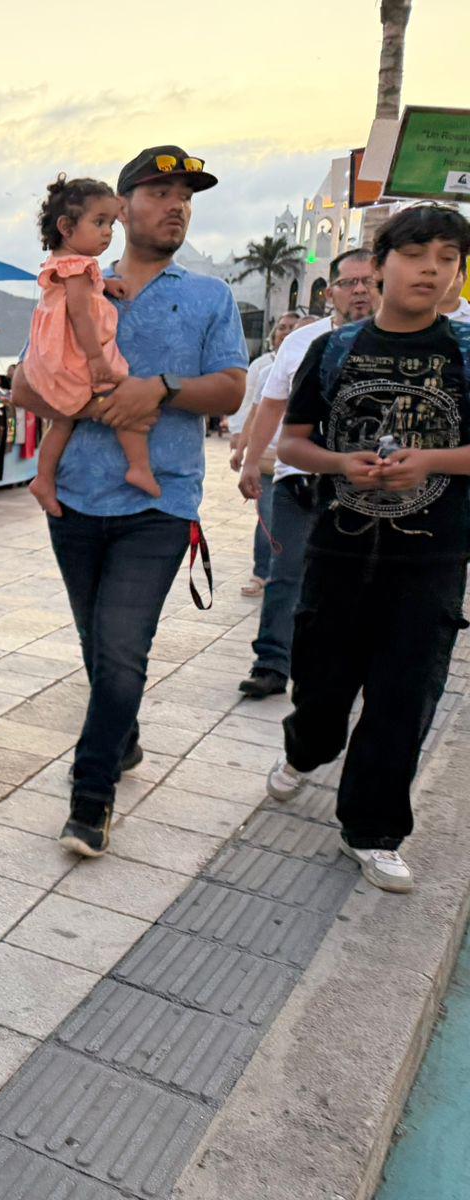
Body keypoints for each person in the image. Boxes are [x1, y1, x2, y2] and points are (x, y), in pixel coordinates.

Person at [9, 145, 248, 857]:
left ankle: (90, 798)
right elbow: (25, 384)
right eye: (159, 191)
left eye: (186, 196)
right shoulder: (71, 281)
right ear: (118, 208)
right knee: (101, 647)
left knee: (120, 645)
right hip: (76, 500)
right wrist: (90, 405)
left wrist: (160, 390)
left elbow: (232, 389)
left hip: (161, 501)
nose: (176, 205)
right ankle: (126, 734)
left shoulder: (209, 297)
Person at [267, 204, 470, 894]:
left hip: (433, 561)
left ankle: (374, 830)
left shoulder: (465, 353)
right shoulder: (334, 351)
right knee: (321, 697)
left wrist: (434, 460)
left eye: (448, 258)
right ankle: (304, 750)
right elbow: (291, 444)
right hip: (340, 554)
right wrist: (337, 464)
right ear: (380, 267)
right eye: (417, 256)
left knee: (403, 699)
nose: (433, 270)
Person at [236, 250, 375, 699]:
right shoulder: (304, 342)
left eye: (368, 281)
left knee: (357, 577)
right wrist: (253, 461)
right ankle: (272, 663)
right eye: (349, 282)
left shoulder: (400, 341)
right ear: (330, 290)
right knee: (287, 570)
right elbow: (271, 403)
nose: (359, 290)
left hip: (372, 485)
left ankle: (341, 668)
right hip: (299, 476)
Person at [22, 176, 155, 517]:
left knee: (63, 421)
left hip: (55, 355)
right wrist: (96, 358)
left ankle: (43, 479)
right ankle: (138, 466)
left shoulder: (70, 267)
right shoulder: (78, 268)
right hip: (78, 355)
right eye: (99, 222)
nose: (108, 232)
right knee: (123, 400)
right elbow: (80, 315)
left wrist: (105, 284)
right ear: (66, 227)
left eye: (111, 223)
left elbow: (81, 296)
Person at [231, 310, 305, 596]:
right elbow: (254, 409)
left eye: (292, 328)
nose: (285, 333)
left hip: (298, 459)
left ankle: (287, 574)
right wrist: (242, 446)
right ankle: (262, 573)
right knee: (267, 518)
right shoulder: (263, 369)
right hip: (267, 459)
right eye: (282, 328)